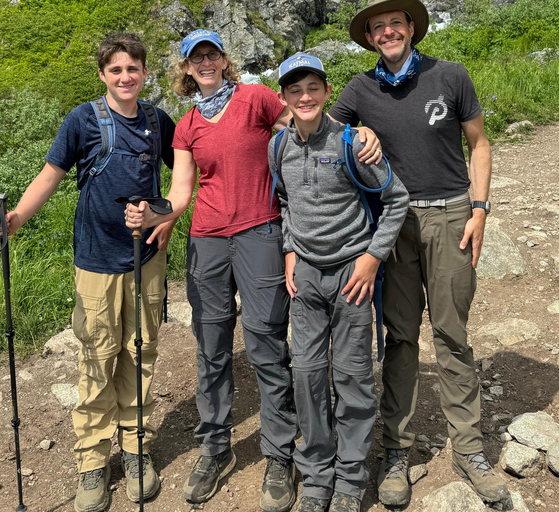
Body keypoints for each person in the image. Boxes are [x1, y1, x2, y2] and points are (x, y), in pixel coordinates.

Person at [123, 29, 382, 512]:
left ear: (224, 59)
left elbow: (309, 119)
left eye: (211, 54)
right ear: (184, 67)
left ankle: (279, 452)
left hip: (261, 230)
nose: (204, 62)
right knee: (212, 344)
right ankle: (215, 447)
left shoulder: (257, 98)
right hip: (207, 238)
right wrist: (159, 215)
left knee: (265, 341)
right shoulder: (186, 125)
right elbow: (182, 191)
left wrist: (359, 131)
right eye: (194, 57)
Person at [327, 0, 512, 508]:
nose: (387, 32)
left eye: (395, 23)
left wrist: (480, 211)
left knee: (452, 334)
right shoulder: (360, 89)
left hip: (453, 216)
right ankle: (395, 453)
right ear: (369, 37)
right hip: (394, 223)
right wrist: (352, 131)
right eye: (377, 27)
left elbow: (479, 144)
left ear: (411, 28)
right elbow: (307, 125)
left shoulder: (450, 75)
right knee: (401, 337)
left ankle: (469, 450)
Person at [0, 33, 175, 512]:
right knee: (97, 357)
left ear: (145, 72)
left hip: (146, 261)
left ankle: (136, 450)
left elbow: (187, 176)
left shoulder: (160, 121)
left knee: (142, 353)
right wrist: (17, 219)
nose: (125, 77)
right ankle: (92, 461)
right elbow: (51, 174)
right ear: (102, 75)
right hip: (95, 260)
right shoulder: (82, 120)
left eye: (133, 68)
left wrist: (167, 221)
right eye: (115, 70)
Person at [270, 53, 409, 512]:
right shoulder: (279, 148)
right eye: (295, 90)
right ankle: (315, 477)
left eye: (313, 87)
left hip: (353, 273)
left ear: (328, 92)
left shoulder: (351, 143)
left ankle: (350, 479)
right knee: (307, 375)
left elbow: (396, 199)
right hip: (306, 277)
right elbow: (286, 201)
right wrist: (290, 249)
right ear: (284, 98)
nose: (305, 97)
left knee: (351, 377)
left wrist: (372, 258)